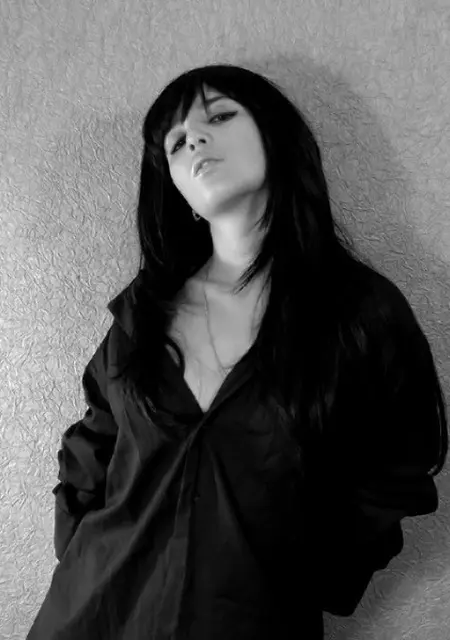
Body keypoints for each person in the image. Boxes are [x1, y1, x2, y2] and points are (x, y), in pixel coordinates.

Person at [27, 63, 448, 640]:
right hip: (89, 617)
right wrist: (85, 552)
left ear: (277, 137)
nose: (195, 140)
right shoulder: (142, 317)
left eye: (219, 116)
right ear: (177, 188)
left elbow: (398, 467)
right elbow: (92, 446)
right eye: (176, 142)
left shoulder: (360, 315)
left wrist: (313, 573)